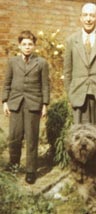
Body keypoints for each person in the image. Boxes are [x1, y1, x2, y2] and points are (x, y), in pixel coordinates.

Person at [2, 30, 50, 184]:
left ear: (34, 46)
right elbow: (7, 83)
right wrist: (5, 102)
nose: (27, 47)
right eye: (24, 44)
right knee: (15, 136)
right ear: (19, 45)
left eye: (30, 44)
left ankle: (31, 170)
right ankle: (14, 164)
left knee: (31, 138)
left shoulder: (41, 63)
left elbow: (45, 85)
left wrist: (44, 105)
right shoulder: (12, 62)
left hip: (33, 104)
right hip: (15, 103)